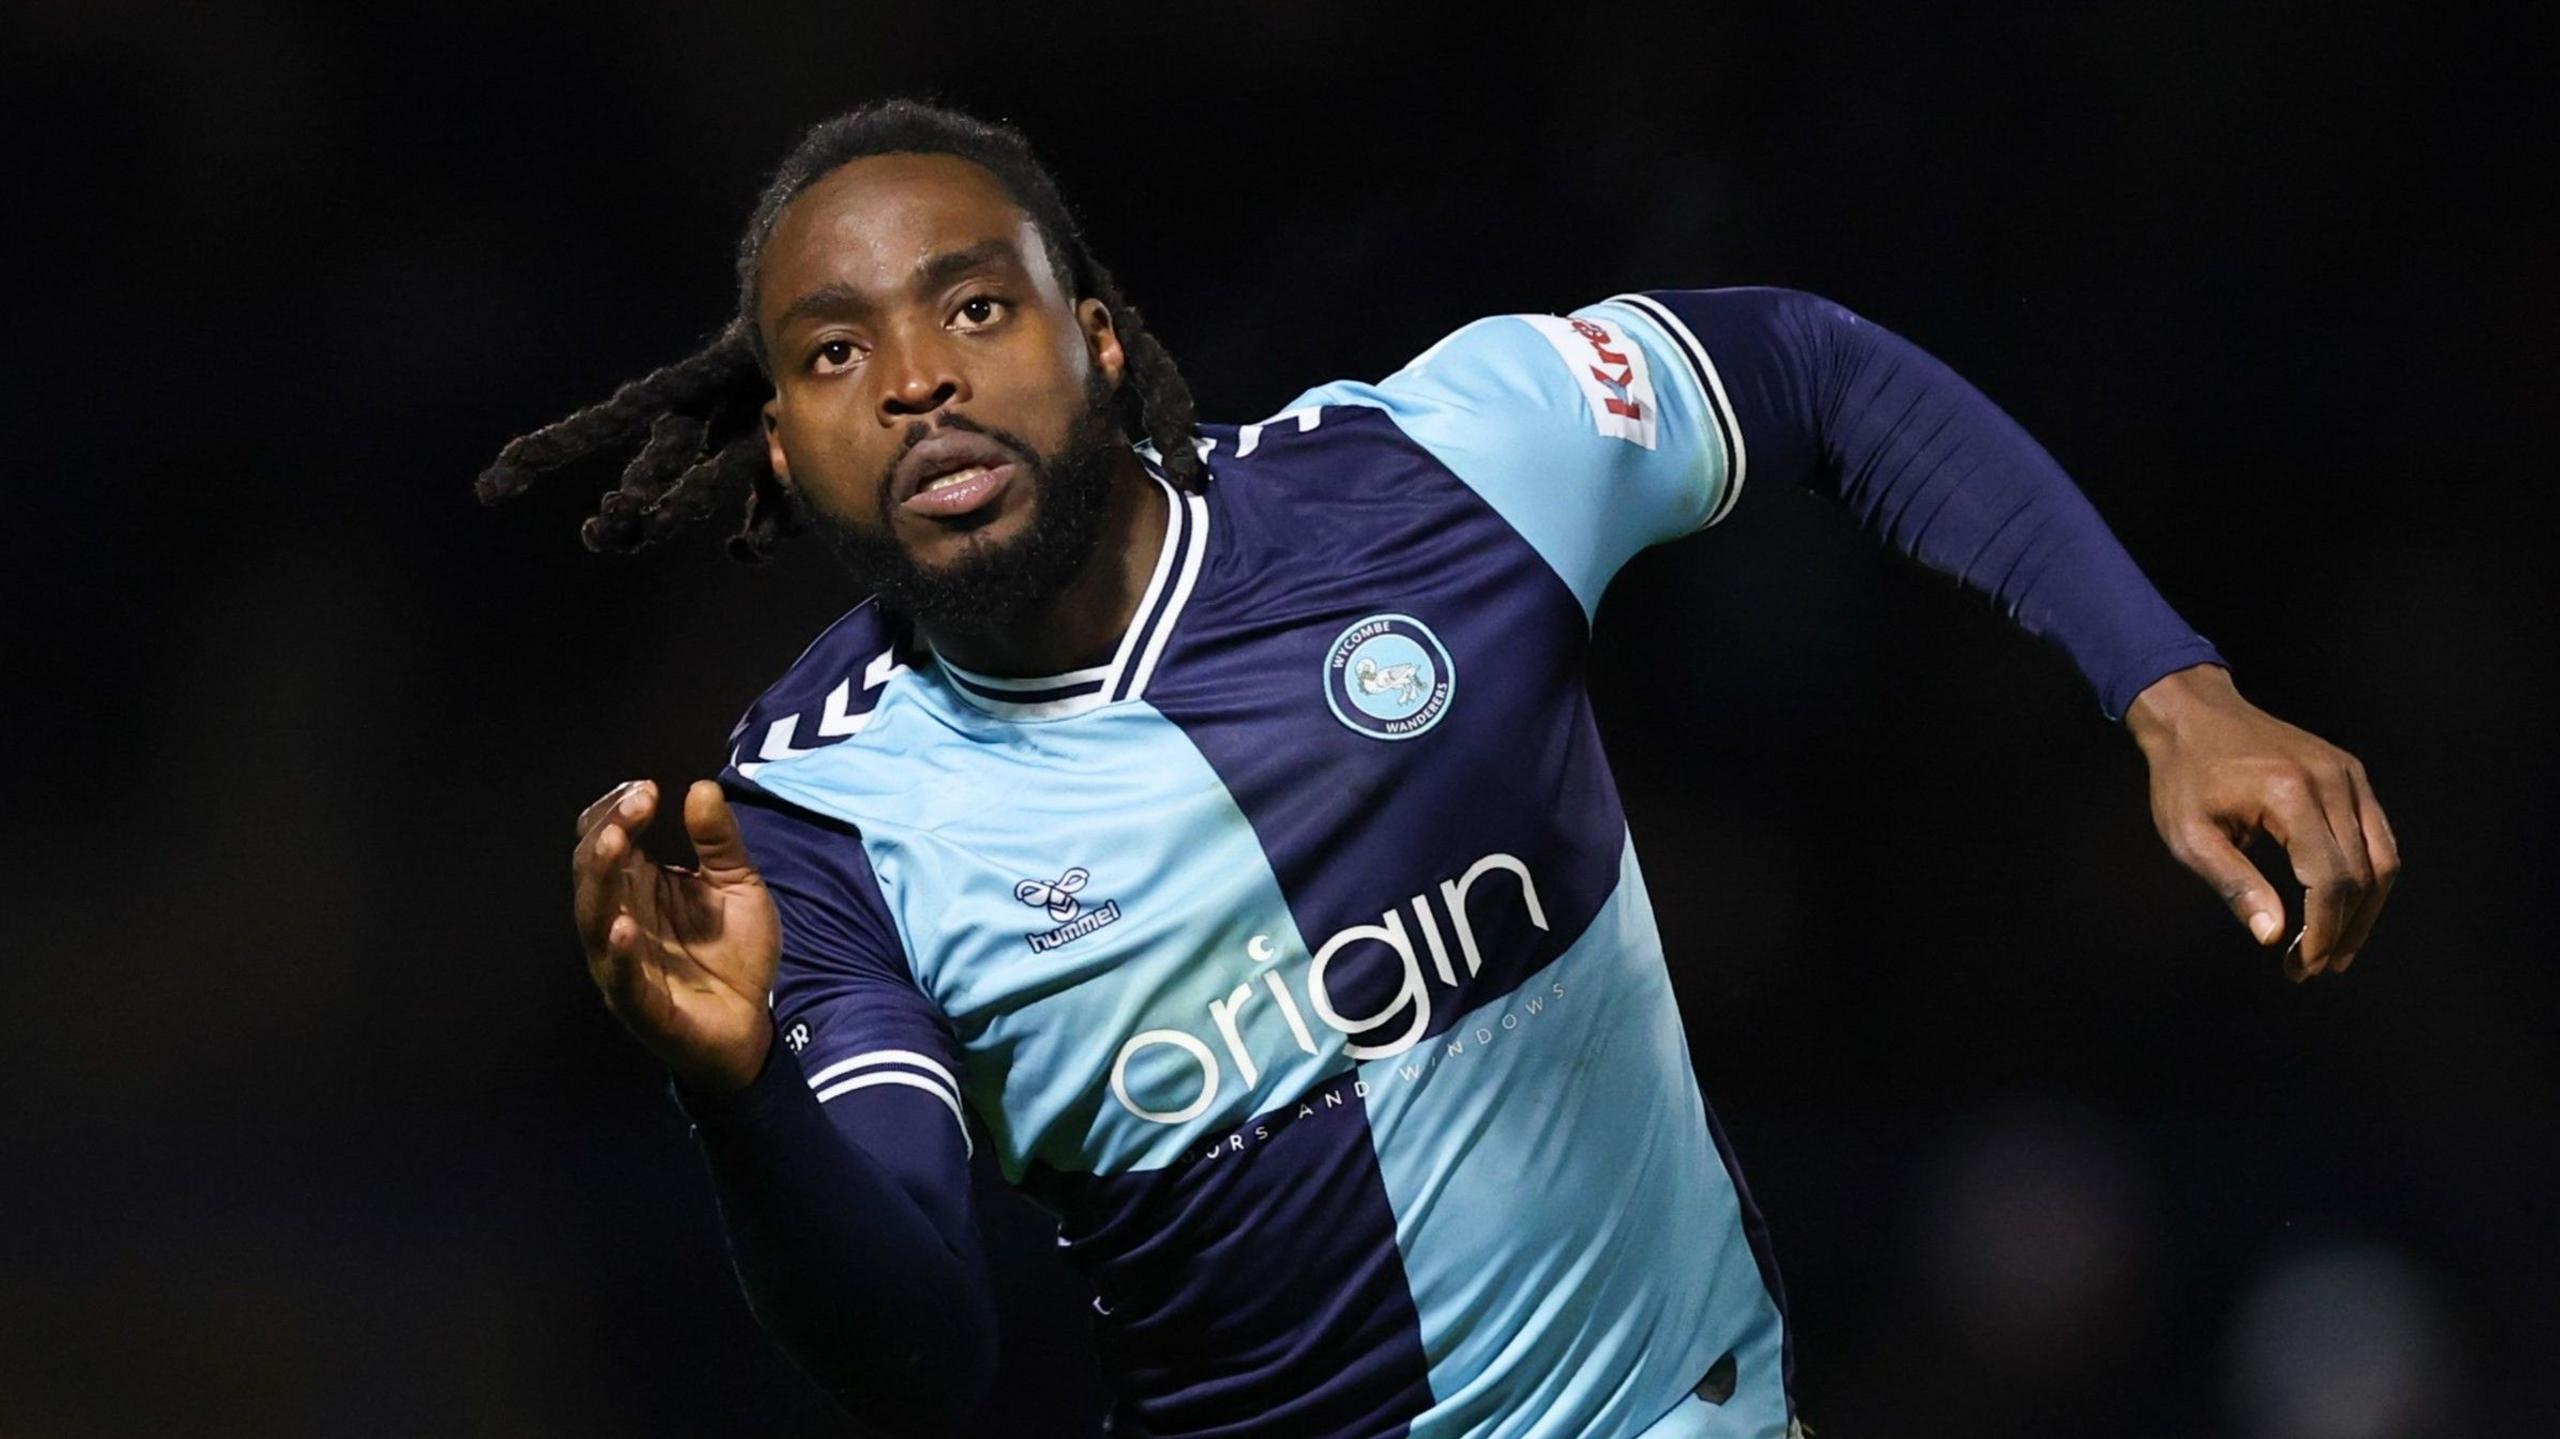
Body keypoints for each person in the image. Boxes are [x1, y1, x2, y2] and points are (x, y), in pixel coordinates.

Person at [480, 100, 2399, 1439]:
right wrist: (738, 1100)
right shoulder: (817, 822)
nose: (915, 377)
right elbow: (920, 1352)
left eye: (973, 305)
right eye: (831, 352)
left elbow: (1810, 366)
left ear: (1096, 336)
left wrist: (2170, 686)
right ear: (782, 461)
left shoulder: (1434, 474)